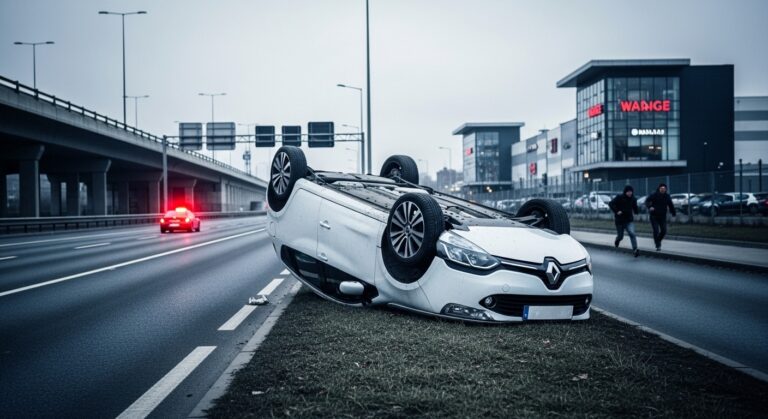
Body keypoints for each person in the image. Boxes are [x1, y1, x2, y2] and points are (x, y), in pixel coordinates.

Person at [609, 185, 640, 257]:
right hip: (620, 220)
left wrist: (637, 213)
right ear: (625, 192)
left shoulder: (633, 199)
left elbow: (635, 207)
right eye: (628, 192)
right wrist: (617, 211)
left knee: (632, 233)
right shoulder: (619, 197)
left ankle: (635, 250)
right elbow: (611, 203)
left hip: (629, 220)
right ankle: (617, 240)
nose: (630, 193)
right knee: (620, 236)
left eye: (631, 192)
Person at [645, 183, 676, 251]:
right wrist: (650, 207)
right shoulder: (654, 195)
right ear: (659, 189)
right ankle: (658, 244)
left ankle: (657, 240)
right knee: (656, 230)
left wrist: (673, 213)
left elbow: (670, 205)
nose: (663, 190)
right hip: (654, 216)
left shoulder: (667, 196)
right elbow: (647, 201)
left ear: (666, 189)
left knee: (664, 230)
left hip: (662, 216)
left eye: (664, 189)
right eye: (661, 189)